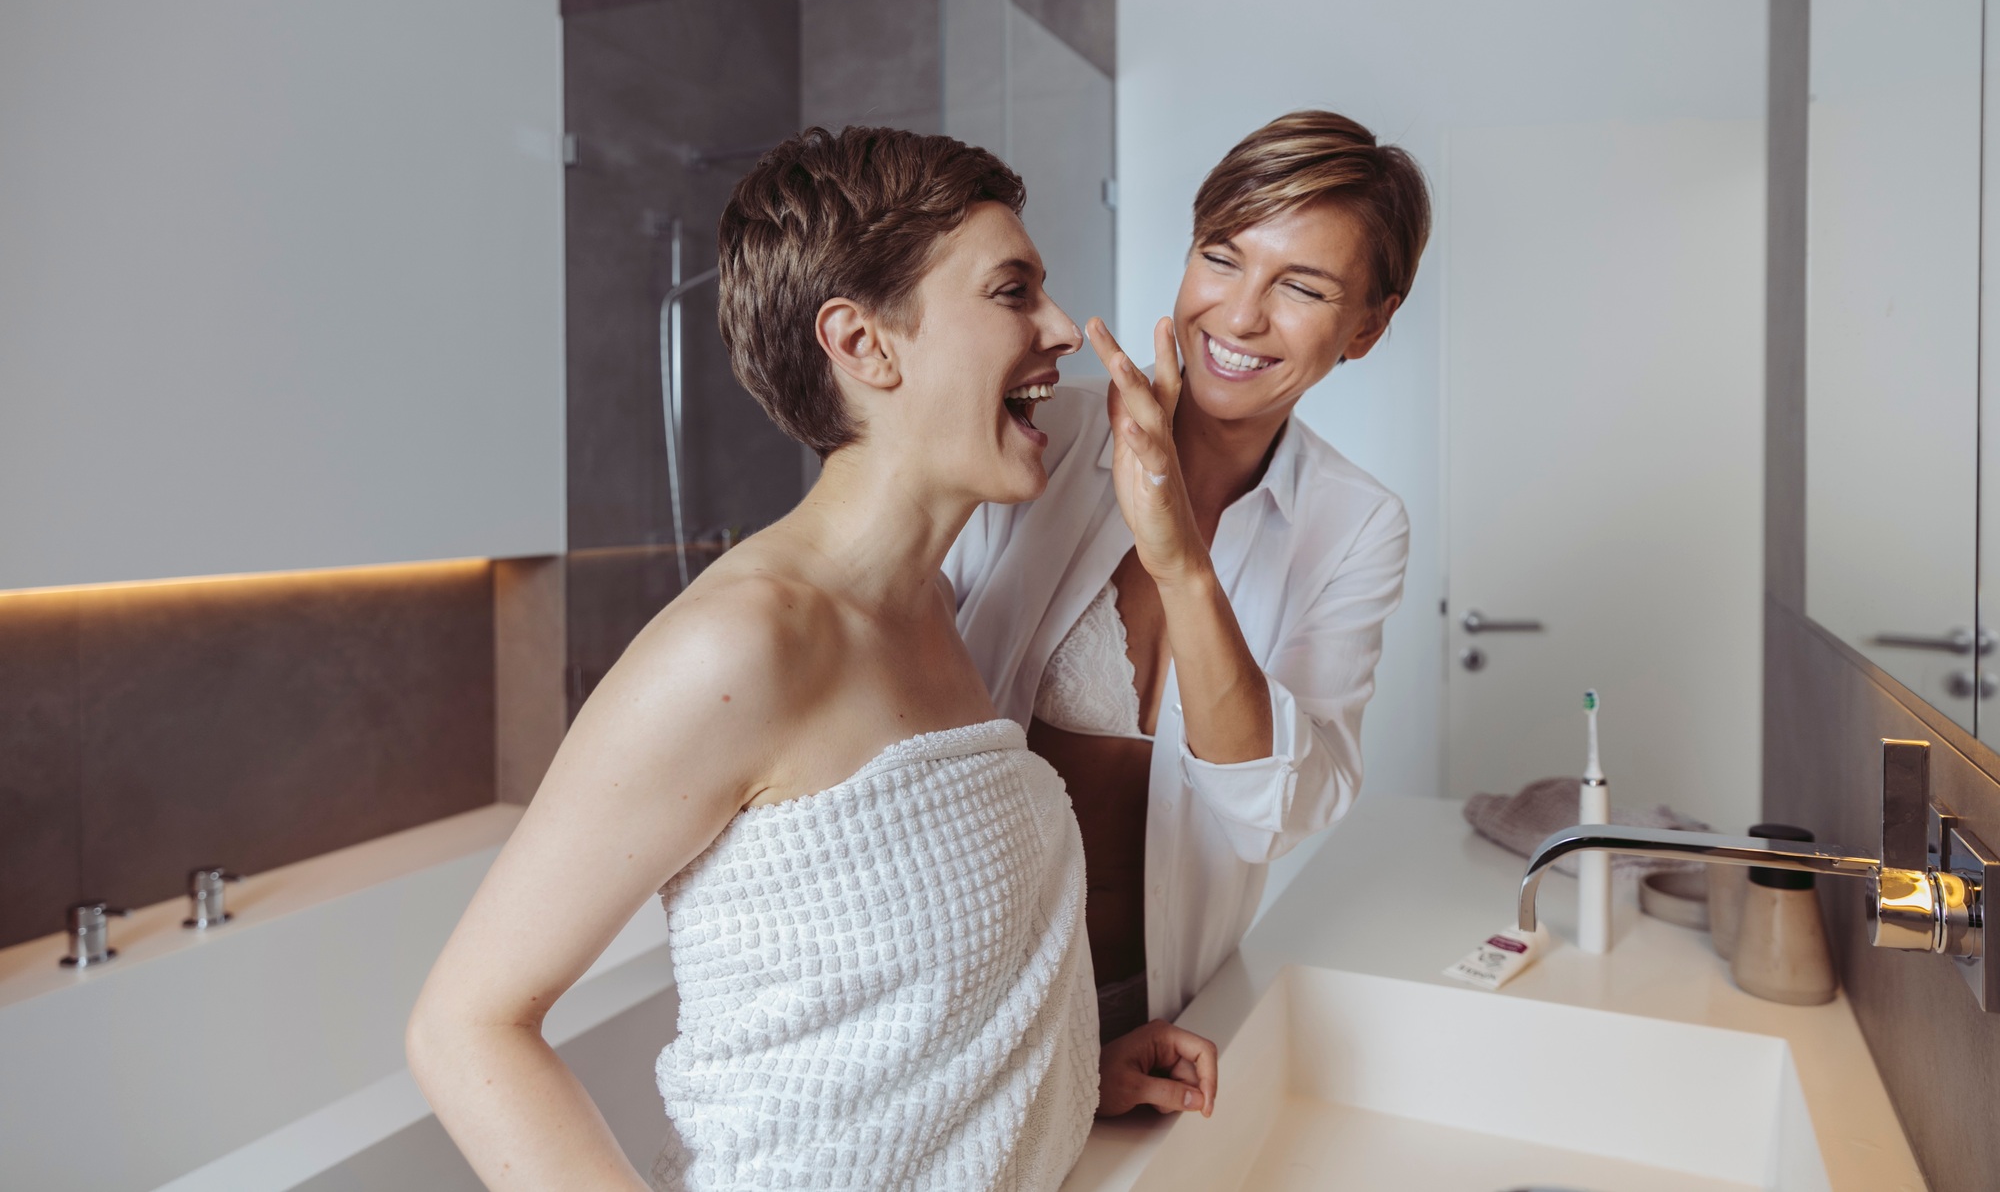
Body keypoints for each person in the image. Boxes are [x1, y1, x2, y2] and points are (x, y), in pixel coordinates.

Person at [406, 126, 1215, 1192]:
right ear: (865, 344)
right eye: (1012, 290)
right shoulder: (740, 644)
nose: (1062, 329)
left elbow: (888, 1000)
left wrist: (1070, 1072)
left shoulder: (924, 605)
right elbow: (465, 1027)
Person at [946, 110, 1428, 1040]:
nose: (1241, 315)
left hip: (1146, 1012)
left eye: (1301, 286)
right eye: (1221, 255)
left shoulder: (1356, 524)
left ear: (1368, 326)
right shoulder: (1040, 437)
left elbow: (1275, 813)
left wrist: (1177, 556)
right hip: (968, 997)